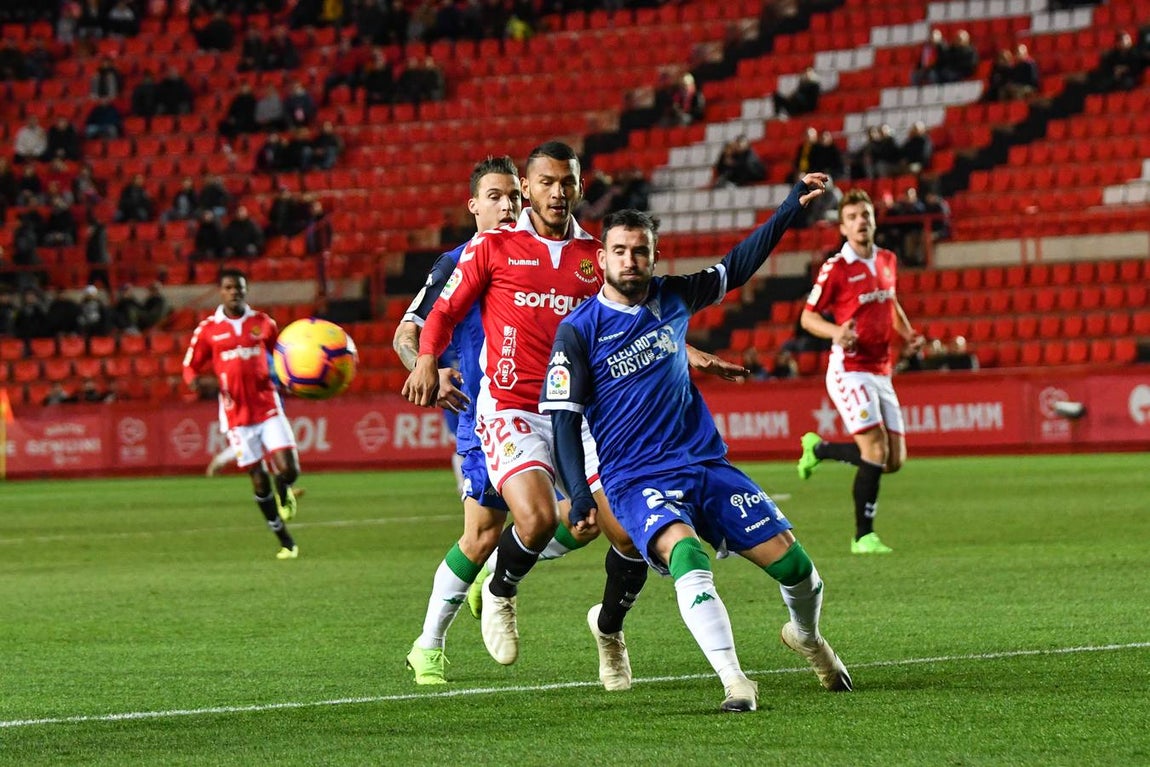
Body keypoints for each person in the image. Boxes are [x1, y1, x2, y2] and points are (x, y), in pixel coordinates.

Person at [402, 143, 747, 685]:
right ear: (529, 190)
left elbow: (630, 320)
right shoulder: (492, 248)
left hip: (582, 412)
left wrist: (690, 352)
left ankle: (602, 625)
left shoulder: (597, 255)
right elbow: (441, 311)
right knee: (534, 518)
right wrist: (426, 360)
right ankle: (498, 591)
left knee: (621, 533)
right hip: (511, 407)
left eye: (567, 182)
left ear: (580, 188)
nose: (557, 192)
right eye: (545, 183)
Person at [541, 179, 852, 714]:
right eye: (620, 250)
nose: (631, 260)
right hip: (635, 477)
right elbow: (564, 420)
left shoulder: (675, 296)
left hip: (706, 464)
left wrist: (787, 209)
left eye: (641, 251)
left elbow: (739, 264)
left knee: (799, 571)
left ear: (655, 255)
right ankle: (736, 682)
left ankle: (805, 636)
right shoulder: (578, 332)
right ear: (602, 257)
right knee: (687, 553)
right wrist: (580, 494)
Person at [396, 155, 597, 685]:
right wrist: (429, 369)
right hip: (492, 410)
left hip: (563, 408)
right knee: (484, 532)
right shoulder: (458, 260)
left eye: (514, 195)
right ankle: (429, 644)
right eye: (495, 196)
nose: (507, 204)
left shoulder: (561, 253)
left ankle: (498, 574)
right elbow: (410, 330)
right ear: (474, 205)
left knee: (586, 517)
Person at [796, 189, 925, 554]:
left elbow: (891, 302)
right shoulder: (835, 268)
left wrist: (908, 334)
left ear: (874, 220)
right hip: (849, 369)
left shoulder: (887, 259)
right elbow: (807, 317)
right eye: (852, 217)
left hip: (881, 370)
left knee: (894, 460)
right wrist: (836, 331)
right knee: (875, 448)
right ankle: (862, 536)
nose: (861, 222)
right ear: (843, 227)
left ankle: (818, 449)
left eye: (865, 215)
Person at [182, 269, 302, 559]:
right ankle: (285, 540)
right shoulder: (208, 329)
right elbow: (189, 367)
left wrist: (294, 378)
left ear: (246, 291)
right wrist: (196, 383)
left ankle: (283, 488)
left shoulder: (263, 323)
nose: (235, 291)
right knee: (257, 478)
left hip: (267, 405)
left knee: (290, 470)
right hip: (236, 415)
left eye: (239, 287)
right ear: (221, 292)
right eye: (229, 287)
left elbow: (283, 357)